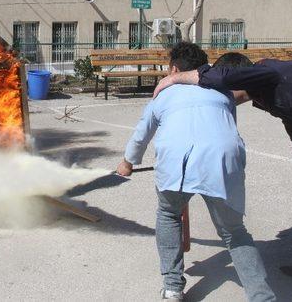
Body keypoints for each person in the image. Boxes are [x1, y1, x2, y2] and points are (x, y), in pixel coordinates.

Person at [152, 53, 292, 302]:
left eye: (222, 90)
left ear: (235, 81)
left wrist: (175, 79)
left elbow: (223, 75)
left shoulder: (268, 72)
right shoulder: (267, 91)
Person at [117, 42, 275, 302]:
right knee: (234, 232)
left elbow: (141, 135)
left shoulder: (164, 93)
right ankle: (262, 297)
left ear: (174, 69)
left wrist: (127, 163)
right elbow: (224, 128)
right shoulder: (222, 92)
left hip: (176, 162)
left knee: (169, 214)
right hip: (222, 160)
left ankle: (172, 287)